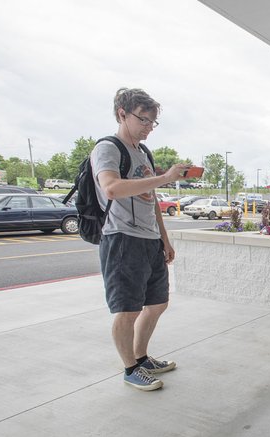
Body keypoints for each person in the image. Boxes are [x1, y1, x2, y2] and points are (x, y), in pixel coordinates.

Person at [92, 87, 190, 391]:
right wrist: (165, 177)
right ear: (123, 113)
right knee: (128, 308)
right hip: (122, 238)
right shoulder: (108, 148)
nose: (149, 127)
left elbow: (151, 200)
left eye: (152, 123)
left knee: (157, 302)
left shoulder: (143, 152)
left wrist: (165, 239)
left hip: (149, 240)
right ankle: (130, 368)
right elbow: (111, 188)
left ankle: (141, 356)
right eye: (144, 120)